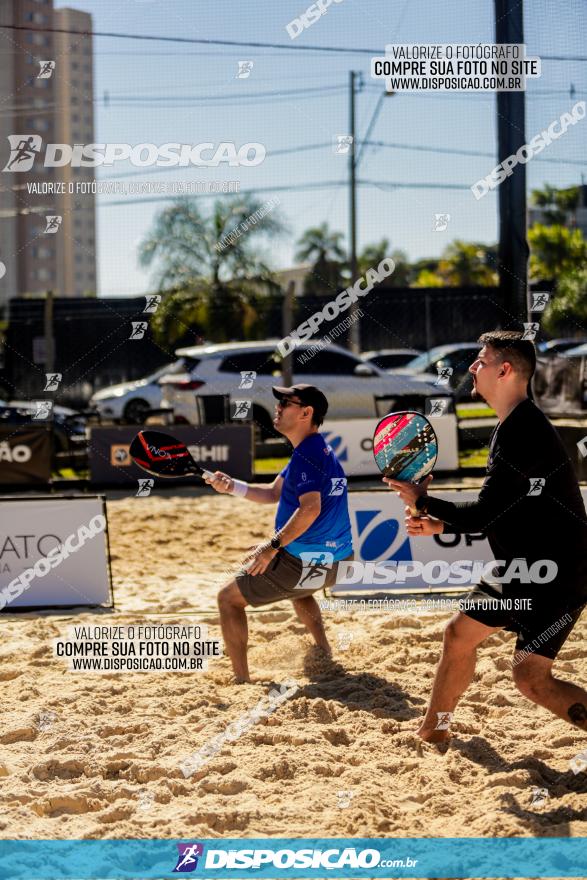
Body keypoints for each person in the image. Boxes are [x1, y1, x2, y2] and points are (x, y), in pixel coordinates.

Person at [385, 330, 587, 741]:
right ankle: (434, 731)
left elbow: (483, 513)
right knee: (483, 649)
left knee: (523, 674)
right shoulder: (514, 425)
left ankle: (432, 730)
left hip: (555, 571)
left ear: (505, 369)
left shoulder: (522, 431)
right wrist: (440, 522)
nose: (473, 368)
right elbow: (508, 511)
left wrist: (425, 502)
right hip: (528, 565)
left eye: (481, 360)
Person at [206, 384, 353, 683]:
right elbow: (273, 493)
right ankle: (323, 650)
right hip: (337, 562)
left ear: (306, 412)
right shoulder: (316, 449)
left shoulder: (307, 455)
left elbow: (310, 509)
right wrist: (231, 485)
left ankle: (241, 680)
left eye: (285, 402)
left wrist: (271, 546)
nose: (278, 406)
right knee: (300, 592)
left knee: (227, 599)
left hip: (304, 563)